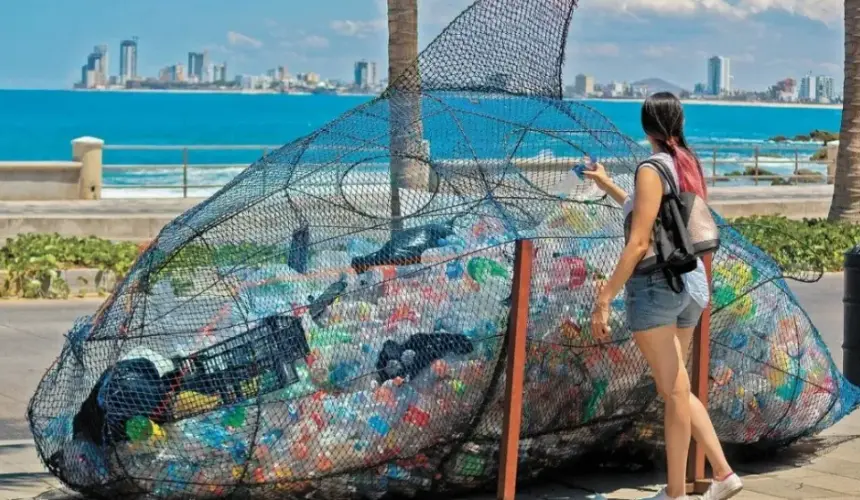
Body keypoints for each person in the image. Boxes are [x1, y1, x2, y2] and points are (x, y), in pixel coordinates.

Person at [583, 92, 743, 500]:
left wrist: (605, 296)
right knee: (677, 392)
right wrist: (608, 186)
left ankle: (701, 483)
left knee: (673, 391)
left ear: (644, 125)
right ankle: (694, 484)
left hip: (657, 286)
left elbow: (640, 241)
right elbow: (660, 217)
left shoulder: (651, 168)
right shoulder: (685, 163)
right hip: (691, 285)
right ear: (679, 121)